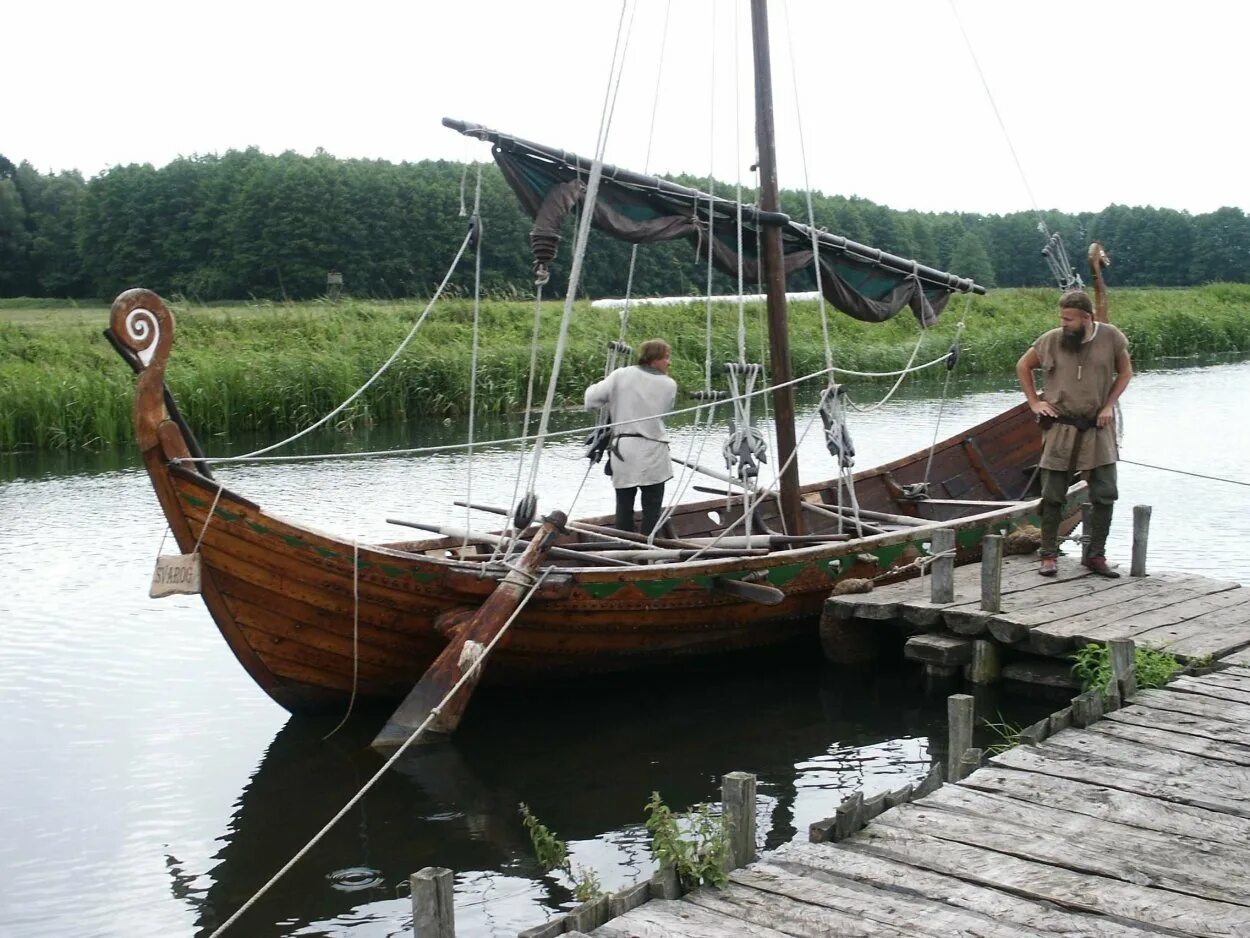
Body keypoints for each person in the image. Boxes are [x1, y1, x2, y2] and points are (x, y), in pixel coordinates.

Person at [1016, 290, 1133, 577]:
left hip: (1099, 428)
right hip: (1061, 428)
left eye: (1069, 319)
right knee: (1053, 495)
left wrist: (1108, 405)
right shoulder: (1051, 340)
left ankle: (1095, 556)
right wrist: (1035, 402)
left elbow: (1126, 372)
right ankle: (1048, 555)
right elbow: (1023, 365)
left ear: (1086, 318)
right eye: (1062, 318)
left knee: (1105, 493)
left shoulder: (1111, 337)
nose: (1063, 323)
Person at [584, 338, 678, 536]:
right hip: (653, 449)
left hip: (624, 449)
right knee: (652, 506)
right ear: (653, 360)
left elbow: (591, 399)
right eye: (666, 358)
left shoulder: (620, 375)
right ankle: (649, 548)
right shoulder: (669, 385)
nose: (668, 363)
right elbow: (665, 410)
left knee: (624, 503)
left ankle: (624, 545)